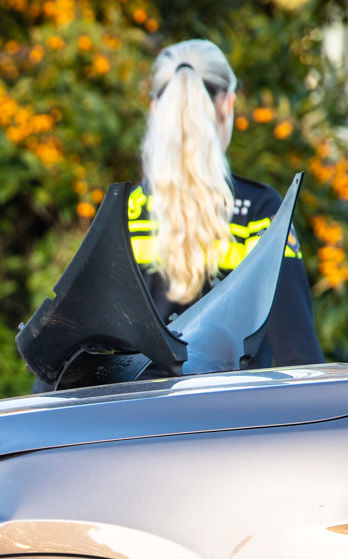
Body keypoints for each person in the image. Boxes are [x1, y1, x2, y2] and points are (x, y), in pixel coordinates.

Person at [129, 39, 323, 366]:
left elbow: (73, 351)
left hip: (138, 415)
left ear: (155, 110)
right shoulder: (259, 211)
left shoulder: (124, 212)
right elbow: (296, 352)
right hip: (235, 416)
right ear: (227, 105)